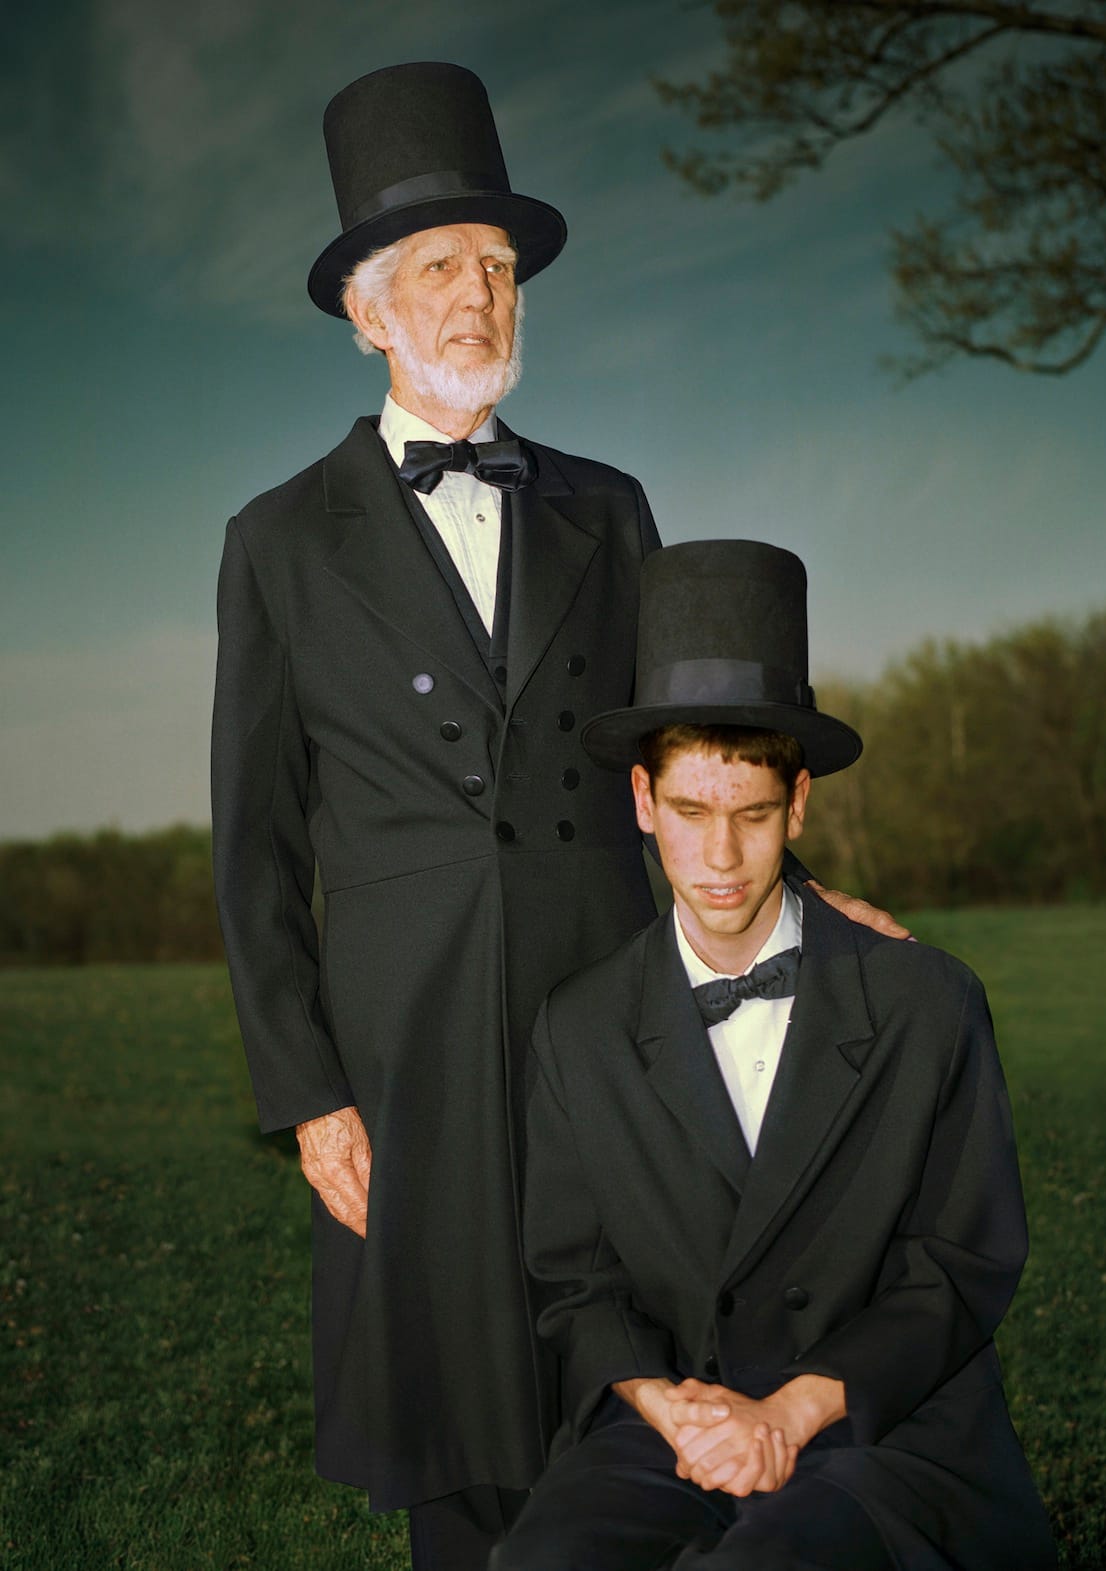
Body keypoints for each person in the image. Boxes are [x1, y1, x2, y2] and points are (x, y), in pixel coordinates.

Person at [210, 63, 902, 1571]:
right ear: (370, 309)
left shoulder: (610, 505)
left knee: (638, 1372)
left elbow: (686, 763)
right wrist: (307, 1088)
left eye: (502, 268)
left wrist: (801, 897)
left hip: (607, 1006)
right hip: (408, 1047)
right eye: (445, 267)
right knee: (452, 1408)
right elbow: (252, 840)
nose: (481, 297)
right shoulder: (275, 540)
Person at [497, 540, 1056, 1570]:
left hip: (880, 1430)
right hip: (674, 1424)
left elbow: (960, 1263)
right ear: (638, 800)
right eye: (690, 813)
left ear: (797, 804)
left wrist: (786, 1417)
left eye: (753, 816)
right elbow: (575, 1282)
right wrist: (681, 1414)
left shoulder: (926, 1001)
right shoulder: (575, 1028)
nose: (719, 859)